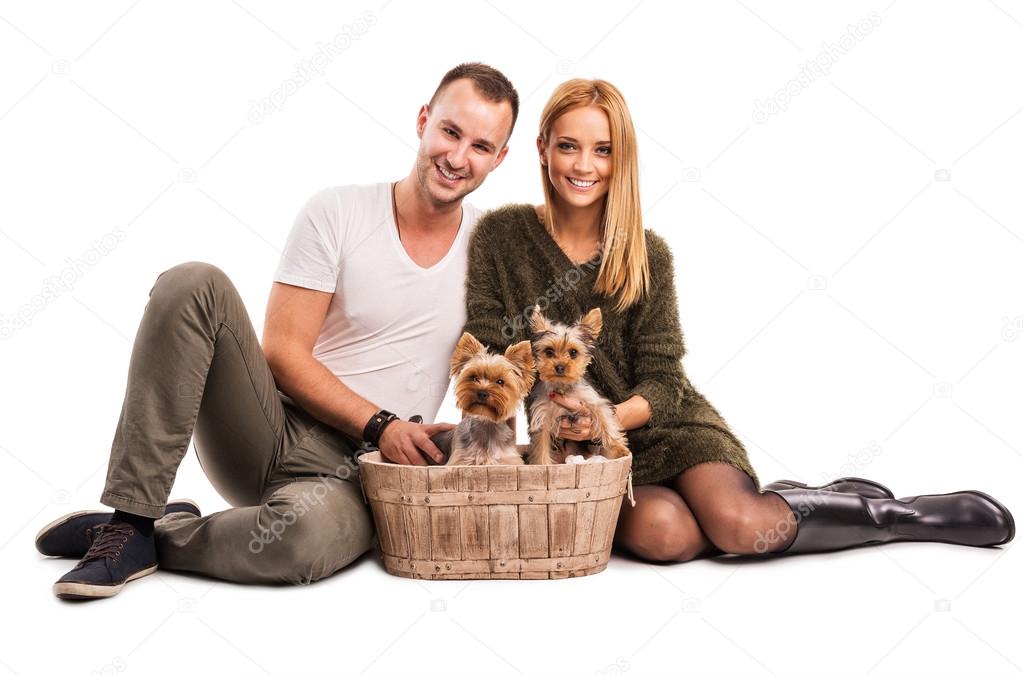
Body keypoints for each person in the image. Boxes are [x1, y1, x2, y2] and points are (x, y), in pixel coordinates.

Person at [461, 78, 1014, 562]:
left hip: (656, 425)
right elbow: (488, 359)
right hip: (575, 454)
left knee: (743, 528)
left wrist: (602, 418)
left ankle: (898, 516)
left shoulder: (646, 253)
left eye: (603, 150)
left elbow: (665, 380)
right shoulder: (500, 236)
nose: (584, 166)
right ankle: (798, 499)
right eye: (568, 147)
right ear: (541, 149)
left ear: (621, 159)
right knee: (664, 537)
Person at [36, 62, 519, 598]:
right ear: (424, 120)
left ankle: (150, 533)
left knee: (299, 545)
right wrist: (380, 422)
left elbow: (500, 375)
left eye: (480, 146)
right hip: (270, 430)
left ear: (499, 159)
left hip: (365, 476)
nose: (457, 157)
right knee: (194, 283)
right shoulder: (338, 211)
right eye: (450, 132)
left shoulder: (492, 250)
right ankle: (130, 517)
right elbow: (284, 352)